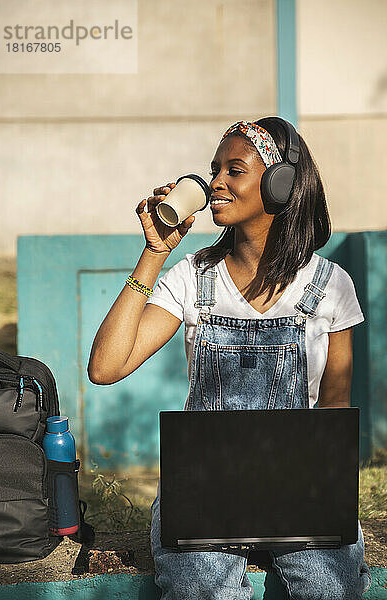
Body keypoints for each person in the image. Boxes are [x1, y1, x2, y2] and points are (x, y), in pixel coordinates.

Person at [88, 117, 372, 599]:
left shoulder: (329, 285)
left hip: (299, 486)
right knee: (204, 591)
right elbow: (105, 368)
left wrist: (324, 509)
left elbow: (335, 409)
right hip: (202, 489)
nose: (215, 183)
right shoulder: (193, 277)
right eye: (214, 169)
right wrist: (154, 253)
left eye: (233, 170)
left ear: (280, 184)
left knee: (331, 590)